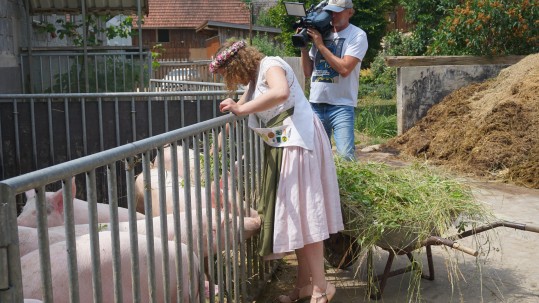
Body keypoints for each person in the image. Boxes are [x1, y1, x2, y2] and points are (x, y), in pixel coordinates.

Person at [211, 39, 344, 303]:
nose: (230, 78)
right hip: (286, 141)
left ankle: (321, 287)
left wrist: (241, 108)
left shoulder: (270, 64)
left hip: (298, 140)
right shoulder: (253, 79)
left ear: (238, 63)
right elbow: (243, 103)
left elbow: (281, 92)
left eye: (228, 72)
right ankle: (304, 285)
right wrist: (229, 116)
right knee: (299, 217)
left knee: (305, 215)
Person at [300, 0, 369, 161]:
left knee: (345, 157)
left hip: (341, 105)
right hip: (316, 104)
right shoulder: (322, 32)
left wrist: (321, 45)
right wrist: (303, 47)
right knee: (316, 157)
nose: (333, 15)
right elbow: (307, 72)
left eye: (338, 11)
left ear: (350, 12)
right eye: (331, 11)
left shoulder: (357, 35)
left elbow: (345, 69)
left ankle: (346, 186)